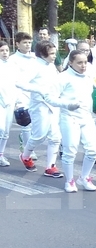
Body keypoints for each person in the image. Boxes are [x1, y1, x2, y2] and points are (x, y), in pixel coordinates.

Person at [48, 50, 96, 192]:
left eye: (85, 62)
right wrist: (67, 104)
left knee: (93, 150)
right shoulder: (63, 78)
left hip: (86, 117)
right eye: (79, 62)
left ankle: (84, 177)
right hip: (69, 117)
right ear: (71, 63)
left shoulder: (89, 77)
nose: (83, 65)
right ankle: (70, 181)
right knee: (70, 151)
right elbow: (50, 98)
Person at [16, 40, 63, 178]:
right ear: (43, 54)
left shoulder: (50, 66)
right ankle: (25, 156)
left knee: (56, 137)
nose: (54, 56)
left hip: (53, 104)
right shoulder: (34, 66)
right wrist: (39, 90)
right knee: (39, 136)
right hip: (39, 105)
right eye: (51, 53)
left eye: (55, 53)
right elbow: (20, 83)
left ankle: (50, 167)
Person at [0, 41, 14, 167]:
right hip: (0, 102)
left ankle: (1, 155)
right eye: (2, 50)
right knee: (1, 128)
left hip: (10, 101)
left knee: (6, 132)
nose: (4, 53)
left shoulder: (11, 65)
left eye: (6, 50)